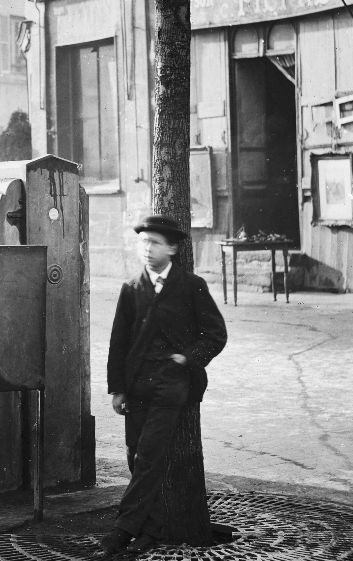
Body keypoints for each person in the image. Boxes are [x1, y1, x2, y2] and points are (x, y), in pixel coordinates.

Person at [99, 214, 227, 554]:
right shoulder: (131, 289)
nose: (147, 248)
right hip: (137, 385)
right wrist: (118, 389)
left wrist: (188, 358)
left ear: (171, 248)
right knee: (134, 455)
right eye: (143, 242)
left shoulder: (191, 285)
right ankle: (150, 530)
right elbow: (118, 343)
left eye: (154, 242)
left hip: (171, 387)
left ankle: (122, 529)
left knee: (148, 456)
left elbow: (215, 334)